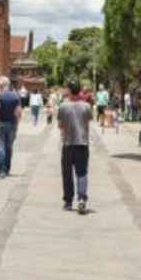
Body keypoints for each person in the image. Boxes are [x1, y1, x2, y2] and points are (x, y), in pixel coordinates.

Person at [58, 81, 93, 213]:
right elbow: (87, 123)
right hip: (82, 143)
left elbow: (61, 126)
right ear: (79, 91)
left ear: (69, 91)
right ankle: (82, 198)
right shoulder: (86, 106)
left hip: (67, 144)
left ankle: (68, 201)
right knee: (82, 173)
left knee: (67, 174)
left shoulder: (63, 106)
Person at [0, 76, 22, 177]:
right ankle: (7, 168)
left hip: (0, 123)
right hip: (12, 123)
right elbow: (18, 112)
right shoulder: (15, 96)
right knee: (9, 146)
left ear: (0, 85)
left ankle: (1, 170)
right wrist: (17, 124)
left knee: (0, 146)